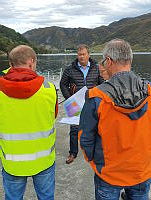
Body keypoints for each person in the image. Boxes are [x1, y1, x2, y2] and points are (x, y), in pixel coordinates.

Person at [79, 39, 151, 200]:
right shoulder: (149, 90)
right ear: (129, 60)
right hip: (142, 169)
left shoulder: (96, 96)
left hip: (109, 172)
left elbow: (85, 137)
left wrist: (95, 162)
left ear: (109, 61)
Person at [0, 45, 58, 200]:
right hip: (44, 160)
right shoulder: (49, 89)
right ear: (32, 62)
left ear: (10, 64)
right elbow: (53, 116)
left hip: (12, 163)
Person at [60, 44, 104, 164]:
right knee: (74, 129)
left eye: (84, 54)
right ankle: (73, 153)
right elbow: (63, 84)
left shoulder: (96, 67)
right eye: (79, 54)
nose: (81, 57)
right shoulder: (69, 69)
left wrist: (98, 97)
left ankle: (94, 152)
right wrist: (69, 98)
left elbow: (102, 83)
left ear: (88, 55)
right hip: (75, 103)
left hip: (92, 102)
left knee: (95, 127)